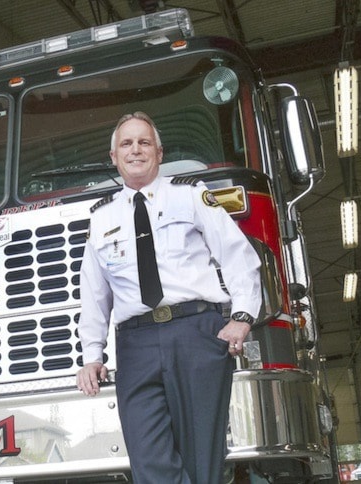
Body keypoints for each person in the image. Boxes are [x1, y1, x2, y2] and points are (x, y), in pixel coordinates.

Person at [76, 111, 262, 484]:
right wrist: (92, 355)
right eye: (126, 144)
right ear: (114, 157)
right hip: (136, 343)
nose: (135, 150)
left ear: (159, 153)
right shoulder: (101, 218)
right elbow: (95, 293)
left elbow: (236, 254)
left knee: (201, 460)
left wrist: (241, 317)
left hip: (197, 332)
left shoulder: (191, 196)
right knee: (148, 457)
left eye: (144, 142)